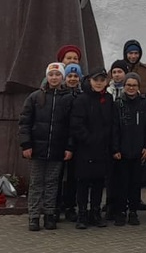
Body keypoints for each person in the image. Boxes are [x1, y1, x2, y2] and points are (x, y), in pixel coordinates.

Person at [18, 62, 75, 231]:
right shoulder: (35, 97)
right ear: (47, 77)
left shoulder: (68, 98)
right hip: (37, 149)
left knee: (52, 183)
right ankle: (34, 216)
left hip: (58, 149)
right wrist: (26, 144)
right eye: (51, 74)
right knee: (36, 183)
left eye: (58, 74)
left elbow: (72, 126)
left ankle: (50, 215)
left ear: (62, 77)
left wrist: (69, 147)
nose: (54, 77)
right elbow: (25, 122)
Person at [70, 67, 116, 229]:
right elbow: (76, 124)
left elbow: (112, 123)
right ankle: (82, 214)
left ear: (106, 82)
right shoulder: (82, 99)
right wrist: (89, 139)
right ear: (90, 80)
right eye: (96, 80)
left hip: (103, 149)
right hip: (85, 148)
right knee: (83, 182)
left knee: (98, 182)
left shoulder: (109, 99)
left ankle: (95, 213)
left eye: (102, 80)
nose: (99, 83)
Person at [112, 73, 146, 226]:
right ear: (124, 87)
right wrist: (115, 148)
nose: (131, 88)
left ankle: (133, 211)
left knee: (135, 183)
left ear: (139, 87)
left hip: (139, 151)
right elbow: (114, 129)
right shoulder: (118, 104)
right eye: (128, 85)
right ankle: (120, 211)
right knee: (121, 183)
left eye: (134, 85)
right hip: (121, 152)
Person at [58, 46, 84, 221]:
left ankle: (70, 206)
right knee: (56, 176)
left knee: (74, 177)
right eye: (69, 58)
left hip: (77, 142)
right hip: (58, 141)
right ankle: (54, 205)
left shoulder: (83, 93)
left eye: (75, 58)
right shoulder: (54, 90)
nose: (72, 60)